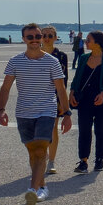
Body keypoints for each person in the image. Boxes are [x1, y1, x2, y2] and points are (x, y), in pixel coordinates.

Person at [0, 23, 72, 205]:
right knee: (33, 153)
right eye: (30, 37)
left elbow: (61, 89)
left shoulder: (52, 61)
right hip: (23, 113)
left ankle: (32, 189)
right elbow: (6, 87)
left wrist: (67, 113)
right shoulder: (15, 61)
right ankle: (42, 187)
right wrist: (1, 110)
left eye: (37, 36)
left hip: (46, 111)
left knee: (40, 149)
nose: (35, 40)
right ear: (23, 39)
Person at [69, 31, 103, 174]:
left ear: (97, 42)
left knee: (101, 131)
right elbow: (77, 77)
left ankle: (99, 159)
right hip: (84, 100)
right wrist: (71, 92)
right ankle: (83, 161)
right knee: (84, 131)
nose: (85, 42)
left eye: (88, 40)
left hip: (102, 101)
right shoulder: (84, 58)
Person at [40, 26, 70, 174]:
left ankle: (51, 161)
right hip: (36, 96)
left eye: (50, 36)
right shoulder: (33, 54)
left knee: (52, 129)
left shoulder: (61, 56)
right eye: (44, 35)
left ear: (55, 37)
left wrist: (64, 104)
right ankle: (43, 153)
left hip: (54, 97)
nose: (46, 38)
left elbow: (64, 81)